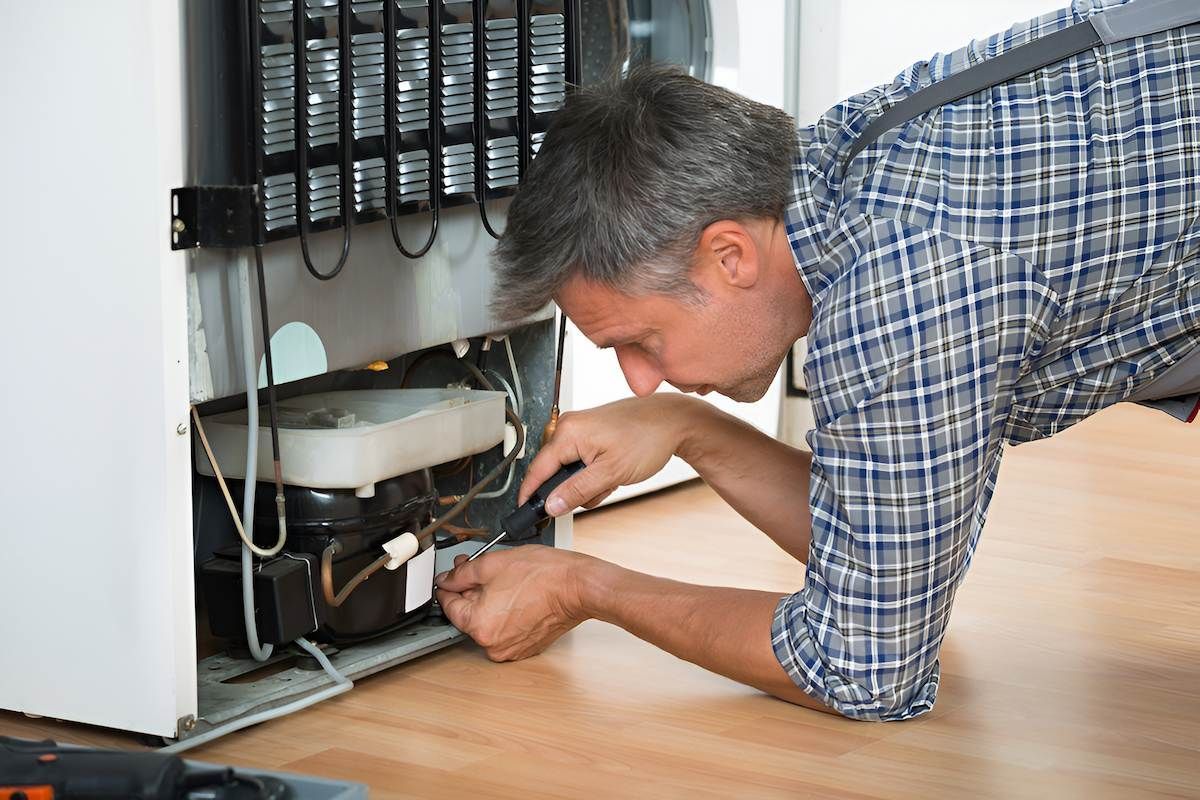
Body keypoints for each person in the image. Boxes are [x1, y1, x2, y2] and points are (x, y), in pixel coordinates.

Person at [434, 0, 1200, 720]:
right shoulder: (839, 168)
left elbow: (864, 666)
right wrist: (684, 426)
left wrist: (585, 587)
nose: (639, 377)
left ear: (728, 256)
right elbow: (886, 542)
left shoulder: (894, 292)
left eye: (642, 342)